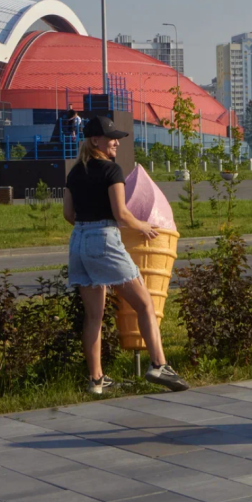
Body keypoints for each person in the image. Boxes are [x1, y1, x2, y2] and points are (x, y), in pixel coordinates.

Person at [64, 115, 189, 394]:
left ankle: (96, 380)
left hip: (79, 242)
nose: (117, 143)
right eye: (112, 138)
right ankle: (158, 364)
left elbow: (68, 214)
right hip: (104, 240)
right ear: (95, 140)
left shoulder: (74, 173)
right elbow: (121, 213)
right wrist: (142, 226)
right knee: (144, 303)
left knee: (93, 315)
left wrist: (88, 229)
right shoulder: (112, 171)